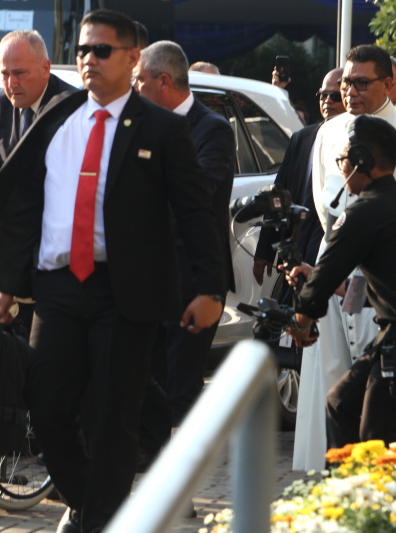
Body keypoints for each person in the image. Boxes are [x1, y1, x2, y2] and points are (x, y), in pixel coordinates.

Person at [0, 10, 225, 533]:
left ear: (132, 59)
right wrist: (8, 285)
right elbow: (23, 205)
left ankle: (100, 520)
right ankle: (94, 502)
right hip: (58, 287)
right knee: (46, 406)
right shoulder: (57, 118)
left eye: (102, 50)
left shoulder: (164, 129)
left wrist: (209, 287)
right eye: (83, 50)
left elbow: (197, 212)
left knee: (111, 417)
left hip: (122, 291)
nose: (89, 60)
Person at [295, 44, 396, 471]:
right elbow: (322, 201)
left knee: (379, 423)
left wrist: (305, 307)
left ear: (389, 83)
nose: (348, 91)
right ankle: (343, 485)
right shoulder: (328, 132)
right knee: (339, 398)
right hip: (345, 265)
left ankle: (378, 499)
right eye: (345, 82)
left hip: (391, 295)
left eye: (360, 82)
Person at [132, 41, 234, 460]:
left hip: (192, 278)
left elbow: (200, 194)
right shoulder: (139, 124)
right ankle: (148, 460)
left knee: (182, 383)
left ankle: (182, 477)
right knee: (145, 377)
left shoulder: (212, 129)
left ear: (163, 81)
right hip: (145, 275)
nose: (133, 89)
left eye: (138, 80)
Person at [254, 68, 345, 285]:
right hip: (298, 244)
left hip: (334, 247)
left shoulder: (354, 141)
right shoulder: (302, 139)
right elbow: (280, 192)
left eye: (336, 96)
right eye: (323, 95)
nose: (328, 101)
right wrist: (264, 250)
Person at [0, 30, 75, 179]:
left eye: (20, 73)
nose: (11, 84)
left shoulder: (71, 107)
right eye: (5, 74)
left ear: (45, 69)